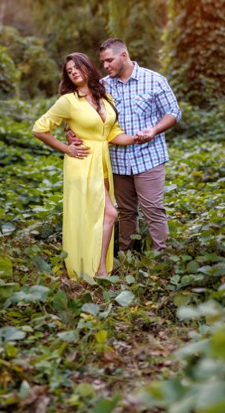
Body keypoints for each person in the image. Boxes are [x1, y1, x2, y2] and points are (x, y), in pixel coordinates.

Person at [32, 52, 140, 280]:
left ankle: (96, 268)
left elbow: (112, 133)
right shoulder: (68, 101)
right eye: (69, 71)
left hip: (102, 163)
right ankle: (98, 270)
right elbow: (39, 129)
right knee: (109, 214)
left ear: (88, 68)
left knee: (99, 216)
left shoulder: (105, 97)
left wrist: (136, 138)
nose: (72, 72)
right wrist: (66, 147)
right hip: (82, 163)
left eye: (76, 67)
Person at [97, 38, 181, 254]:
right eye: (103, 62)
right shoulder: (102, 86)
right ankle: (127, 256)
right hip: (117, 160)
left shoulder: (154, 80)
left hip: (149, 157)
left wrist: (153, 130)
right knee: (125, 212)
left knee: (153, 209)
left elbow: (173, 112)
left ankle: (161, 259)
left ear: (124, 55)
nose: (106, 66)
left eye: (109, 60)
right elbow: (87, 115)